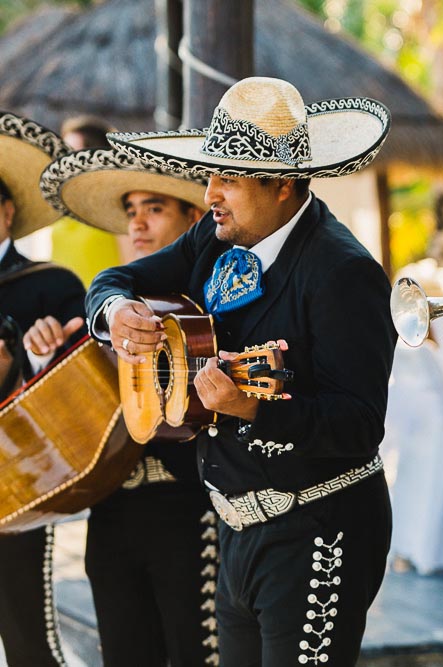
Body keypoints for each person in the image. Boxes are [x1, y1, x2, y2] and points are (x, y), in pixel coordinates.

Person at [86, 77, 395, 666]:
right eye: (211, 175)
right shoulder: (214, 235)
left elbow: (358, 425)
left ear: (281, 184)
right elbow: (119, 280)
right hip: (233, 525)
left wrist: (252, 407)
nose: (210, 194)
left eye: (227, 177)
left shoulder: (343, 273)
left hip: (320, 530)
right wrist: (116, 311)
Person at [33, 147, 216, 666]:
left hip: (189, 509)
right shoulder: (105, 307)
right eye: (131, 210)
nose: (137, 223)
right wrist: (53, 360)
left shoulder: (212, 303)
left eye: (154, 208)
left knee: (196, 657)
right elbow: (70, 430)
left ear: (193, 217)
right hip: (110, 511)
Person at [0, 110, 83, 666]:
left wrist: (30, 361)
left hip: (19, 481)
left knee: (27, 635)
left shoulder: (53, 286)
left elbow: (87, 396)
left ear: (6, 212)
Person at [51, 115, 126, 285]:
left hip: (101, 305)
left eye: (73, 151)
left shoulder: (117, 203)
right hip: (60, 308)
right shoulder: (58, 205)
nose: (67, 159)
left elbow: (131, 264)